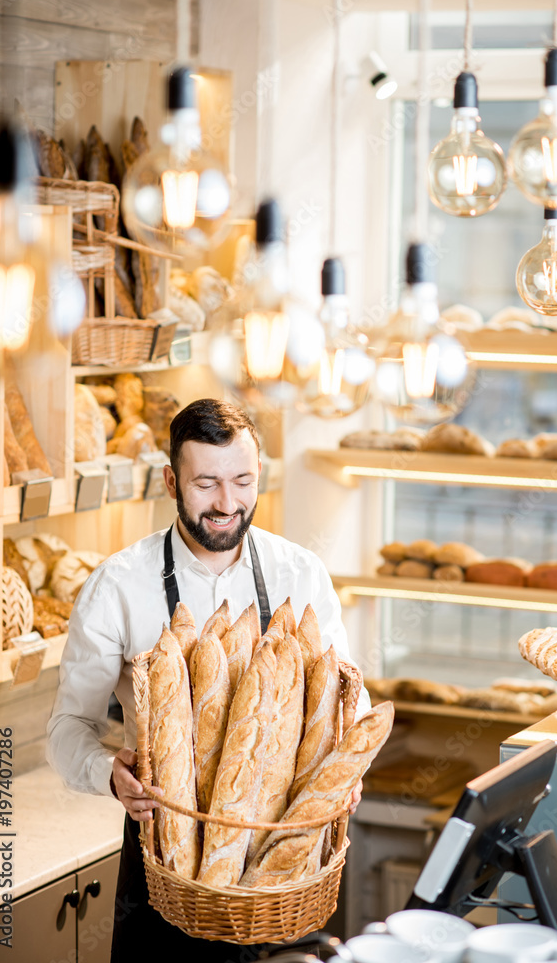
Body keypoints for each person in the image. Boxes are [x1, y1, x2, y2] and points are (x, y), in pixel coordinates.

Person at [47, 398, 370, 962]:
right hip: (167, 852)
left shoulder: (301, 573)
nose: (227, 503)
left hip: (283, 853)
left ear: (259, 475)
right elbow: (68, 727)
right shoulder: (119, 584)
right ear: (172, 480)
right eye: (206, 484)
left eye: (242, 481)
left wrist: (347, 767)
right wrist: (109, 773)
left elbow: (347, 698)